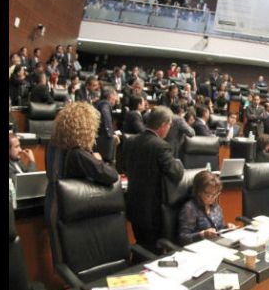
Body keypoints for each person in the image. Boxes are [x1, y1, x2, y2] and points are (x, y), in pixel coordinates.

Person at [44, 102, 120, 230]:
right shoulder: (78, 154)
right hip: (69, 211)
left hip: (52, 204)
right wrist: (98, 160)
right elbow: (111, 175)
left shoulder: (52, 146)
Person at [122, 106, 185, 252]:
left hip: (134, 206)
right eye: (169, 125)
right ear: (163, 125)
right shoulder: (161, 146)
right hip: (152, 212)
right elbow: (176, 173)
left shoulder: (130, 141)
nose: (169, 128)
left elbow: (124, 168)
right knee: (152, 251)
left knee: (141, 246)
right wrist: (178, 163)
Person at [177, 171, 236, 246]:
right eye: (208, 195)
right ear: (199, 192)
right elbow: (183, 239)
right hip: (199, 249)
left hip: (217, 245)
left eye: (215, 194)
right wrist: (202, 235)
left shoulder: (215, 206)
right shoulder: (190, 208)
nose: (212, 198)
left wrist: (227, 227)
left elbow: (219, 228)